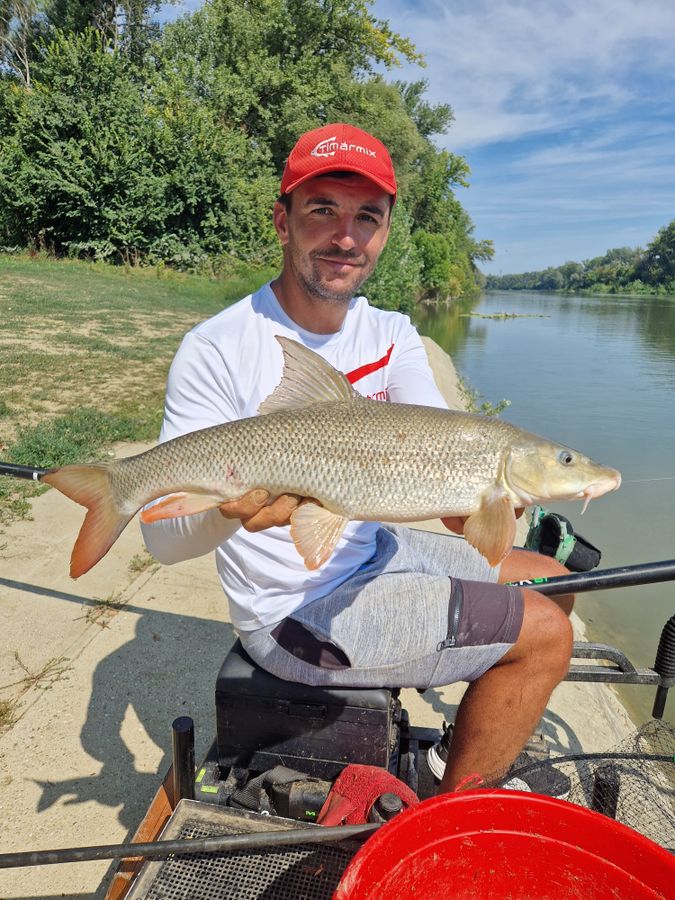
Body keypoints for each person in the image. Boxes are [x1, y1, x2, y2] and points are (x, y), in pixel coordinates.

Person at [142, 122, 574, 792]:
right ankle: (451, 827)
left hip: (371, 553)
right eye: (321, 210)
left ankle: (456, 751)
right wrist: (230, 512)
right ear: (281, 221)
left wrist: (482, 503)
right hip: (292, 610)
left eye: (365, 217)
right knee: (545, 632)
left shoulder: (391, 331)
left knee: (553, 578)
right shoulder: (217, 348)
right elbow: (163, 543)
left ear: (383, 233)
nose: (345, 236)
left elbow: (441, 447)